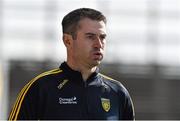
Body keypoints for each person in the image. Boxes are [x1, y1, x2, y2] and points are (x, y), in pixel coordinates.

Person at [8, 8, 135, 120]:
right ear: (67, 41)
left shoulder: (118, 93)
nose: (99, 44)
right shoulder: (40, 88)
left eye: (102, 37)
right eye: (90, 37)